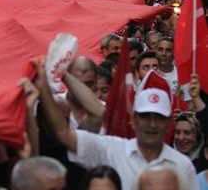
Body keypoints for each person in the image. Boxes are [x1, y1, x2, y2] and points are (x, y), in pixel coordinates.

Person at [37, 59, 199, 190]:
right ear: (134, 121)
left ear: (168, 124)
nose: (152, 124)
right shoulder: (112, 150)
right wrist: (50, 83)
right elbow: (63, 133)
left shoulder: (183, 166)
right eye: (145, 117)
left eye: (159, 118)